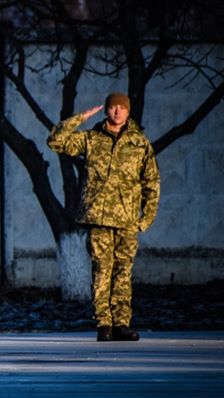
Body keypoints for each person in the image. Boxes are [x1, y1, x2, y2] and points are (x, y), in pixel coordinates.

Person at [47, 93, 160, 342]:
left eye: (122, 108)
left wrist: (146, 217)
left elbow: (151, 182)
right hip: (98, 217)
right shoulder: (91, 139)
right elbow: (55, 142)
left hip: (127, 219)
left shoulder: (140, 144)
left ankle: (122, 323)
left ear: (128, 112)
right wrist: (80, 118)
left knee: (123, 272)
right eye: (112, 108)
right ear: (106, 111)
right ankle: (104, 324)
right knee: (102, 271)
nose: (117, 112)